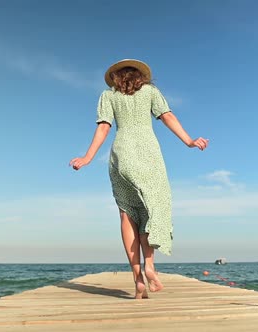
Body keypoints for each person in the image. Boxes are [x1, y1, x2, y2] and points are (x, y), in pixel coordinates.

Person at [70, 59, 208, 299]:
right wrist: (189, 141)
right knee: (151, 209)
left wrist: (87, 157)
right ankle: (150, 267)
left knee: (127, 212)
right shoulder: (151, 92)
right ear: (139, 75)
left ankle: (137, 280)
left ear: (116, 76)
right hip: (149, 154)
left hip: (121, 155)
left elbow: (103, 127)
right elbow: (167, 117)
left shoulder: (108, 96)